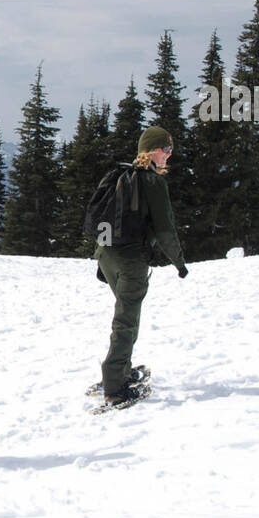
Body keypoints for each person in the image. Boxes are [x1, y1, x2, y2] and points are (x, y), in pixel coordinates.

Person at [93, 125, 187, 406]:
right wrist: (179, 263)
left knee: (126, 317)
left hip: (107, 255)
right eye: (166, 149)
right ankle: (115, 386)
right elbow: (166, 229)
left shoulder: (119, 175)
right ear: (153, 151)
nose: (169, 155)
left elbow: (101, 218)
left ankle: (121, 371)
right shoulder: (153, 183)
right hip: (132, 260)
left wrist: (102, 256)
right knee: (126, 321)